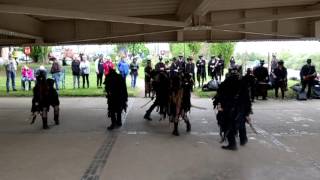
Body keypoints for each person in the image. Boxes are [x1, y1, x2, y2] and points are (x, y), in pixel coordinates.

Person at [213, 66, 252, 150]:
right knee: (240, 121)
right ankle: (243, 139)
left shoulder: (227, 82)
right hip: (239, 107)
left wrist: (219, 105)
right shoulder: (243, 83)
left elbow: (219, 94)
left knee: (227, 123)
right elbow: (247, 99)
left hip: (229, 107)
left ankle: (232, 144)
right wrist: (247, 111)